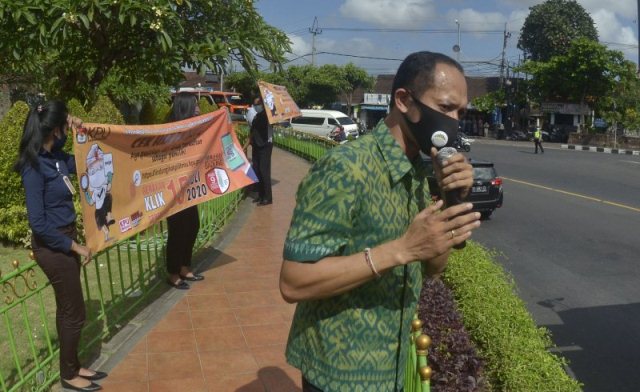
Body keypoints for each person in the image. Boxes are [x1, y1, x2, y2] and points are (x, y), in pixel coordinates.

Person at [279, 51, 482, 392]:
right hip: (338, 374)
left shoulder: (419, 173)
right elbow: (293, 282)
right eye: (445, 108)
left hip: (394, 367)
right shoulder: (346, 167)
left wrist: (450, 200)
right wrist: (399, 250)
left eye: (460, 113)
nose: (453, 122)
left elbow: (431, 268)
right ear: (404, 100)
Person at [15, 101, 107, 392]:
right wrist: (75, 247)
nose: (66, 129)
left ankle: (74, 365)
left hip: (64, 240)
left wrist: (76, 126)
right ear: (53, 129)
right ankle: (68, 374)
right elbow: (38, 224)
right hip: (53, 247)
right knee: (75, 312)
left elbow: (77, 160)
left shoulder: (56, 157)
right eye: (63, 125)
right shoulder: (33, 167)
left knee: (67, 309)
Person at [165, 92, 204, 290]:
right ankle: (173, 272)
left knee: (192, 226)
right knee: (178, 232)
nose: (198, 108)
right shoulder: (169, 133)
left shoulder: (193, 130)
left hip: (191, 189)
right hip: (174, 192)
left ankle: (185, 266)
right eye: (195, 105)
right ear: (185, 108)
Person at [249, 97, 273, 206]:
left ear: (262, 105)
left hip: (265, 145)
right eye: (254, 104)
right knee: (257, 170)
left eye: (257, 104)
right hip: (256, 145)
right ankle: (260, 195)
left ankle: (268, 198)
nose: (255, 106)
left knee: (264, 171)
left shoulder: (268, 115)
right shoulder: (257, 115)